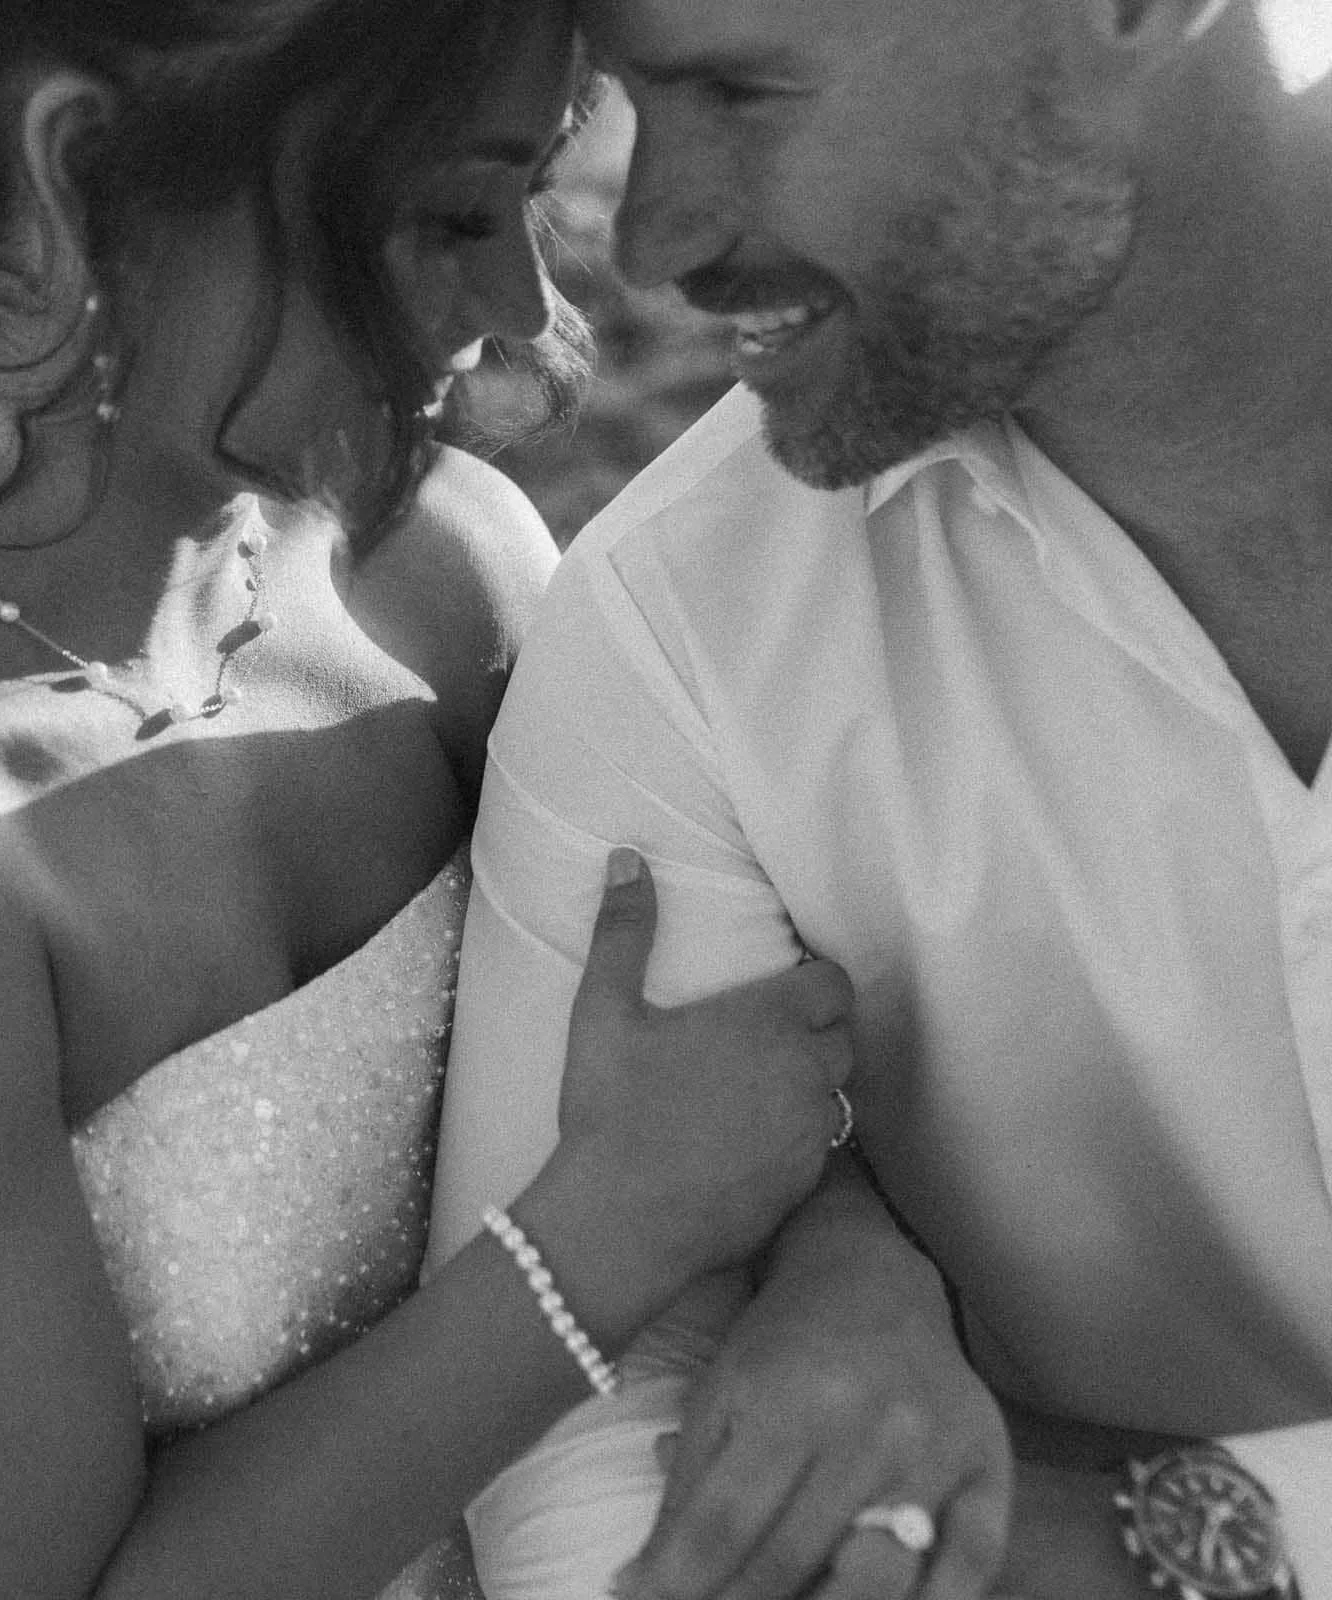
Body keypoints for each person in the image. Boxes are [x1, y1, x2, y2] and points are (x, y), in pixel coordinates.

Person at [0, 0, 1015, 1596]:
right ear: (72, 172)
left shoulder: (443, 572)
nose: (527, 305)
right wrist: (593, 1250)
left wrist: (853, 1273)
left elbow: (718, 1082)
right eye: (449, 213)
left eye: (534, 198)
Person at [430, 0, 1332, 1595]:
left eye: (745, 90)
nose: (656, 240)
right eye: (637, 101)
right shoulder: (681, 627)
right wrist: (832, 1245)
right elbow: (580, 1427)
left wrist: (1133, 1549)